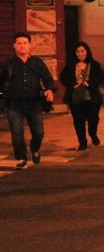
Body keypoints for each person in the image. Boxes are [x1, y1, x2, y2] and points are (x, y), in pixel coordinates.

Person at [1, 32, 56, 169]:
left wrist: (49, 90)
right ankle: (21, 158)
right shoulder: (8, 64)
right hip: (14, 104)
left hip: (34, 103)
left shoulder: (37, 63)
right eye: (19, 43)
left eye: (25, 43)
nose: (22, 46)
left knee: (39, 132)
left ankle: (35, 149)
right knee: (17, 132)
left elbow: (48, 79)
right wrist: (2, 96)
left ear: (30, 45)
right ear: (14, 46)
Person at [60, 42, 104, 150]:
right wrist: (72, 85)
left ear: (87, 52)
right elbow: (63, 77)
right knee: (78, 121)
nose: (80, 54)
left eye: (82, 51)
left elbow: (100, 77)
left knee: (93, 118)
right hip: (76, 97)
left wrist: (89, 83)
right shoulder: (70, 65)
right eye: (78, 51)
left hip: (92, 97)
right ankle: (82, 142)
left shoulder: (94, 64)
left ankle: (92, 133)